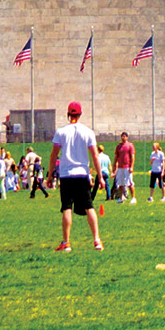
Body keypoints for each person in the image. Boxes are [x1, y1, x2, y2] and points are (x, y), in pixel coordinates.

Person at [46, 99, 104, 253]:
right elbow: (95, 155)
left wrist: (50, 175)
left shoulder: (61, 132)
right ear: (80, 114)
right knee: (89, 206)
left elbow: (54, 155)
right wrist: (101, 176)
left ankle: (66, 242)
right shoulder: (88, 132)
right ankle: (97, 240)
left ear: (68, 114)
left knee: (67, 208)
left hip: (66, 175)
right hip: (82, 175)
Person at [112, 131, 136, 203]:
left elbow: (132, 156)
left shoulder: (130, 145)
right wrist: (114, 166)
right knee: (120, 183)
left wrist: (131, 166)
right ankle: (121, 198)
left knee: (130, 182)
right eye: (122, 136)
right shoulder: (119, 146)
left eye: (124, 136)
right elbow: (116, 157)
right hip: (120, 167)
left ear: (127, 137)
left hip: (127, 166)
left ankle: (133, 198)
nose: (123, 137)